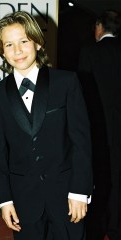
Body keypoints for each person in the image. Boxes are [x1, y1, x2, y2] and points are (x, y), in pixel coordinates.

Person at [0, 11, 93, 240]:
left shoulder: (66, 83)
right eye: (9, 44)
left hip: (67, 196)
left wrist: (80, 191)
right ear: (2, 52)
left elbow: (81, 142)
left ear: (37, 42)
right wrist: (5, 200)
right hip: (23, 200)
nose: (17, 51)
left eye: (24, 41)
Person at [78, 10, 121, 240]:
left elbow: (82, 93)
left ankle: (98, 227)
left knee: (100, 177)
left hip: (98, 128)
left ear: (99, 26)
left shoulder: (90, 52)